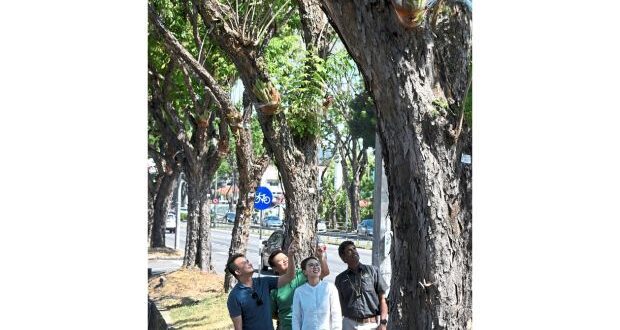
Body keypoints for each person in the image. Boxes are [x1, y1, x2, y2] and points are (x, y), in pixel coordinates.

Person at [226, 246, 297, 330]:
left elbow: (289, 277)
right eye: (244, 263)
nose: (249, 263)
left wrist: (291, 256)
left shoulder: (264, 282)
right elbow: (238, 328)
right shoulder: (234, 296)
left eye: (247, 261)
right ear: (237, 272)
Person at [269, 244, 330, 330]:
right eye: (280, 261)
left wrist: (321, 257)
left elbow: (324, 272)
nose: (285, 261)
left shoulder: (303, 274)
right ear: (274, 268)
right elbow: (272, 313)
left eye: (285, 258)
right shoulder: (274, 289)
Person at [334, 241, 389, 330]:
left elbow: (382, 299)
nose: (354, 251)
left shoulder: (373, 271)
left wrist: (383, 322)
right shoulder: (340, 279)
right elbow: (336, 306)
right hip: (349, 324)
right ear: (344, 258)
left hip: (371, 325)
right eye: (349, 250)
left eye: (354, 248)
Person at [291, 256, 342, 330]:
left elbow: (336, 314)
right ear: (304, 272)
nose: (315, 267)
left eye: (317, 264)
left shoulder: (330, 288)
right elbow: (296, 317)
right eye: (311, 265)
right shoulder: (299, 291)